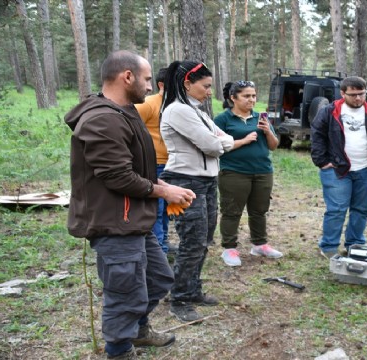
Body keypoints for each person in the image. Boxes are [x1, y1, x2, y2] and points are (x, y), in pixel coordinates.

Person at [65, 50, 196, 359]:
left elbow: (130, 167)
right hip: (114, 223)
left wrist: (161, 184)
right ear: (127, 76)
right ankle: (119, 350)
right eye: (148, 79)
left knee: (158, 278)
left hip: (133, 218)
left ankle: (137, 330)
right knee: (124, 293)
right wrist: (163, 194)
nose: (151, 86)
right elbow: (117, 177)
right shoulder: (102, 119)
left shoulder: (125, 111)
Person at [160, 61, 235, 322]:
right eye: (205, 86)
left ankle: (192, 290)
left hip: (206, 180)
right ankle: (179, 298)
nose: (208, 92)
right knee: (191, 242)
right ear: (187, 84)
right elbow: (213, 145)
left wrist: (219, 142)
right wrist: (218, 143)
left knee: (203, 240)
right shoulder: (177, 111)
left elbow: (224, 139)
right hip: (185, 181)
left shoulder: (198, 111)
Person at [310, 76, 367, 258]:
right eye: (353, 95)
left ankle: (355, 244)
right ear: (342, 93)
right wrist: (323, 162)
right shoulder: (329, 112)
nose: (358, 98)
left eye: (362, 94)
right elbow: (317, 137)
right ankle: (329, 246)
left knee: (361, 209)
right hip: (337, 170)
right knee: (336, 209)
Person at [214, 81, 283, 267]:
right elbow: (216, 147)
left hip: (262, 171)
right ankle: (229, 249)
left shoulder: (261, 118)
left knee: (259, 211)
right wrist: (243, 141)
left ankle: (260, 244)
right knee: (231, 211)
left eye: (253, 95)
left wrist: (268, 131)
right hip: (234, 172)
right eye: (246, 96)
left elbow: (274, 146)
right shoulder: (222, 120)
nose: (251, 100)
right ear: (233, 98)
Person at [135, 67, 176, 255]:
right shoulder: (148, 104)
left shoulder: (177, 105)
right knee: (157, 211)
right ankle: (158, 251)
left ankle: (163, 244)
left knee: (168, 210)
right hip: (156, 165)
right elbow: (130, 128)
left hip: (173, 165)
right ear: (162, 85)